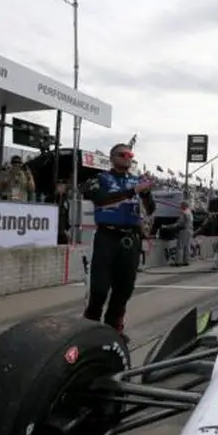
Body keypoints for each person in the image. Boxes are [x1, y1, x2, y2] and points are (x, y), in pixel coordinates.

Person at [82, 143, 156, 336]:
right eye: (123, 154)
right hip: (107, 236)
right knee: (99, 290)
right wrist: (134, 191)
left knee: (124, 289)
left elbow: (150, 209)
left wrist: (146, 194)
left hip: (130, 238)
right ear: (113, 157)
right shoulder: (100, 178)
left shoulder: (136, 180)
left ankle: (113, 329)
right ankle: (89, 329)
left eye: (130, 155)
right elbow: (101, 199)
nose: (128, 158)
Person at [175, 200, 194, 266]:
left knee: (180, 246)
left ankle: (178, 262)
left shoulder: (184, 213)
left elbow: (180, 223)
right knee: (187, 246)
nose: (180, 206)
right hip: (190, 230)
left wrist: (172, 226)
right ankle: (186, 261)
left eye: (181, 205)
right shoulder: (190, 212)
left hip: (184, 230)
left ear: (184, 206)